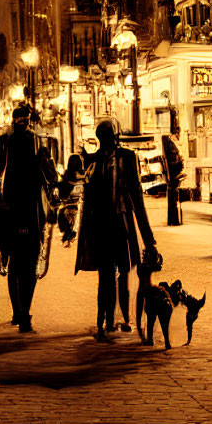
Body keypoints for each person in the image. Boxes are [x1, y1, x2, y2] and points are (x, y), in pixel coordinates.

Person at [0, 104, 59, 333]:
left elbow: (51, 177)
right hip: (20, 211)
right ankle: (22, 311)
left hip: (16, 211)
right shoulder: (26, 144)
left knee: (18, 263)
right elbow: (52, 179)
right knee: (23, 263)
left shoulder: (4, 144)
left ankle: (21, 310)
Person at [75, 118, 158, 341]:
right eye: (103, 137)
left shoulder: (127, 158)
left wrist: (147, 236)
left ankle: (124, 320)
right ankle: (105, 320)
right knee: (106, 275)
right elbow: (88, 198)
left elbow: (136, 196)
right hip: (102, 226)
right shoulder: (93, 161)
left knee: (123, 273)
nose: (106, 141)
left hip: (121, 223)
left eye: (108, 136)